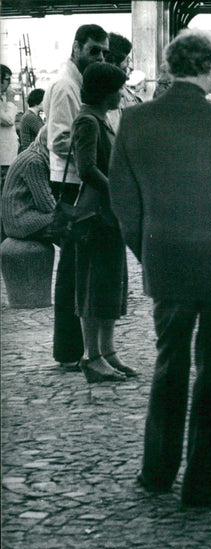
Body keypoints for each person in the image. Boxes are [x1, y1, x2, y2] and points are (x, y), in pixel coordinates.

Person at [109, 29, 211, 507]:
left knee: (169, 366)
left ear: (169, 67)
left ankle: (157, 473)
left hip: (169, 265)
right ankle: (201, 480)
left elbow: (123, 201)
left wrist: (151, 251)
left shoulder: (135, 120)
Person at [43, 23, 109, 372]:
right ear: (77, 46)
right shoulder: (66, 86)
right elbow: (57, 139)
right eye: (94, 50)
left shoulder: (76, 83)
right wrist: (94, 144)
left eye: (103, 52)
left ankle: (71, 348)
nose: (98, 57)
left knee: (77, 267)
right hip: (70, 183)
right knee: (72, 269)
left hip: (73, 181)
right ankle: (68, 349)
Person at [72, 62, 133, 383]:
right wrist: (118, 190)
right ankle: (92, 357)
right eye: (118, 89)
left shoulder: (100, 119)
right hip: (95, 214)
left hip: (106, 214)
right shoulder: (88, 121)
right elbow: (86, 169)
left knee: (110, 283)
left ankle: (107, 352)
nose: (121, 94)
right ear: (103, 91)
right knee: (95, 285)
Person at [0, 128, 58, 244]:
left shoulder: (32, 154)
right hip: (22, 221)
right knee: (70, 231)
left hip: (16, 219)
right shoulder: (35, 162)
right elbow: (46, 204)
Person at [105, 33, 142, 133]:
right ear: (114, 62)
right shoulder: (109, 94)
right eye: (127, 60)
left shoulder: (123, 89)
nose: (131, 66)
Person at [0, 64, 19, 186]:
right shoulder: (7, 99)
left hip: (6, 153)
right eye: (7, 79)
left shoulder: (3, 99)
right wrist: (11, 100)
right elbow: (9, 120)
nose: (9, 83)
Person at [18, 88, 45, 153]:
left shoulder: (34, 115)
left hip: (31, 152)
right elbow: (45, 135)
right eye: (45, 100)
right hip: (30, 153)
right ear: (37, 102)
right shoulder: (30, 117)